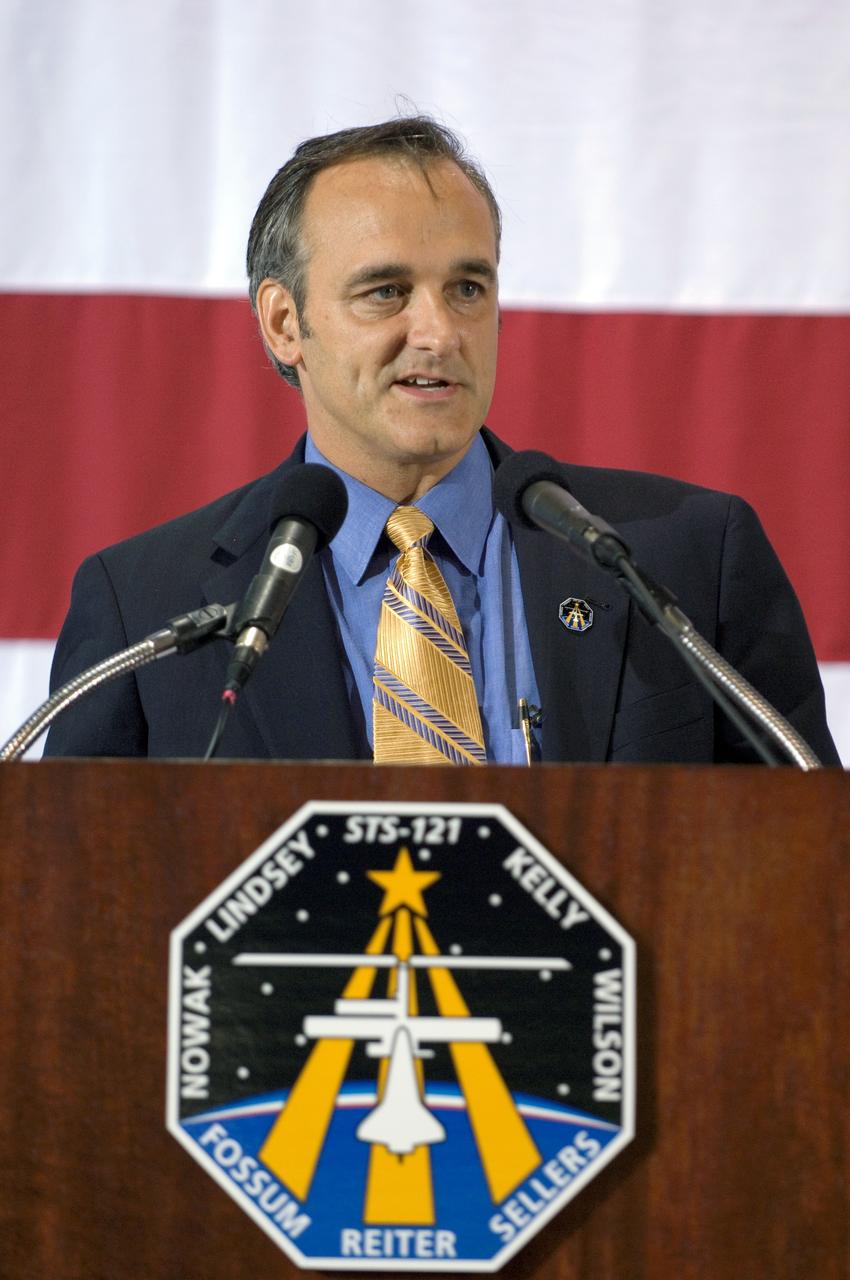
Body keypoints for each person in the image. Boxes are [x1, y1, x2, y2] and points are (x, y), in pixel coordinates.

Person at [44, 117, 839, 765]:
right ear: (286, 322)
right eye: (386, 291)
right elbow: (78, 909)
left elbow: (805, 873)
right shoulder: (145, 604)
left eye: (468, 288)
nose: (439, 332)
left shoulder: (683, 557)